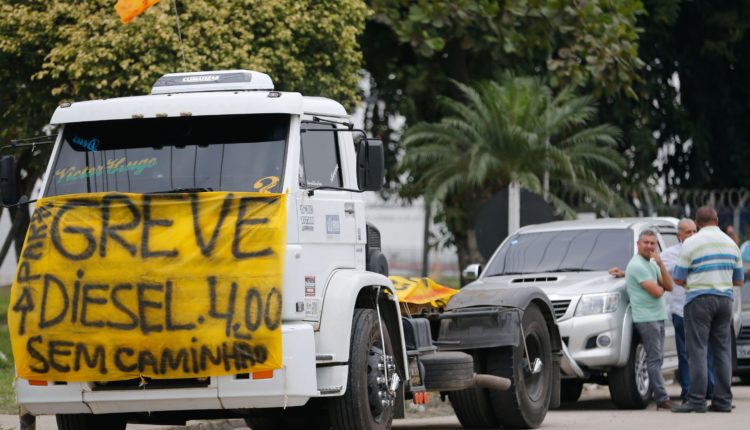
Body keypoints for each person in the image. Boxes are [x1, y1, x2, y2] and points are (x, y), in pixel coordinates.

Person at [671, 206, 743, 413]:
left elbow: (678, 277)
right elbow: (738, 280)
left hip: (698, 300)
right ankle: (722, 401)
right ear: (717, 220)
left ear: (697, 222)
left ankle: (697, 400)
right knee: (722, 351)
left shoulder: (690, 243)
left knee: (698, 350)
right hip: (724, 301)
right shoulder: (732, 244)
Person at [660, 219, 713, 402]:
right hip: (680, 309)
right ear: (679, 235)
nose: (691, 235)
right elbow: (653, 271)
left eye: (694, 231)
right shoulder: (669, 254)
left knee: (707, 351)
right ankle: (688, 391)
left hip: (702, 308)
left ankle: (709, 389)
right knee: (684, 353)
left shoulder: (706, 251)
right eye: (687, 232)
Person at [625, 229, 676, 411]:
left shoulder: (653, 264)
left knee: (658, 359)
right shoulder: (637, 265)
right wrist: (660, 287)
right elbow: (656, 292)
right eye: (646, 242)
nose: (649, 246)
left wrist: (661, 264)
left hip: (658, 316)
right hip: (646, 318)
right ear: (638, 244)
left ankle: (661, 397)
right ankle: (662, 399)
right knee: (654, 360)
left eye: (652, 243)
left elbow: (669, 285)